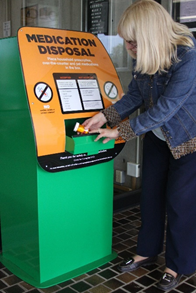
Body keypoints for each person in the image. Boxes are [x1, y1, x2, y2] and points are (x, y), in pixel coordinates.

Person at [83, 0, 196, 291]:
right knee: (150, 197)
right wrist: (102, 117)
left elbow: (166, 109)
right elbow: (134, 96)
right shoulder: (145, 56)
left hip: (188, 141)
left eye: (132, 42)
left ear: (150, 36)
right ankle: (146, 252)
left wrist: (120, 131)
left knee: (181, 205)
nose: (129, 48)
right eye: (127, 42)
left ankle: (177, 265)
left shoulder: (188, 57)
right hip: (157, 138)